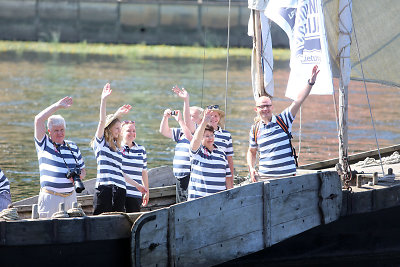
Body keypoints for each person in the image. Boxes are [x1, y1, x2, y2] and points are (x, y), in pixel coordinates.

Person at [247, 65, 320, 181]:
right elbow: (251, 151)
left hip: (287, 178)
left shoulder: (284, 119)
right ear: (256, 109)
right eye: (262, 106)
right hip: (265, 179)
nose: (265, 109)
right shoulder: (255, 129)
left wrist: (311, 82)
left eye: (268, 106)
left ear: (272, 107)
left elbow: (298, 100)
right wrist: (251, 168)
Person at [91, 83, 147, 215]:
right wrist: (103, 100)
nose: (119, 131)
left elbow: (120, 173)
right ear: (109, 129)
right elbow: (102, 122)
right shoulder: (101, 144)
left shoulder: (118, 148)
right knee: (100, 222)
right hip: (105, 188)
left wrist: (138, 185)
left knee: (117, 223)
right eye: (117, 129)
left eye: (120, 129)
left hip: (120, 190)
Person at [34, 97, 86, 218]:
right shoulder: (44, 143)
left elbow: (83, 170)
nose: (60, 133)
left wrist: (78, 176)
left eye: (62, 130)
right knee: (47, 232)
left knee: (71, 232)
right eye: (56, 130)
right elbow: (38, 120)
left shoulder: (72, 146)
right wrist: (57, 106)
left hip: (70, 197)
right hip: (50, 197)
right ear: (49, 131)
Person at [188, 109, 233, 200]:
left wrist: (229, 195)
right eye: (206, 136)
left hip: (218, 202)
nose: (210, 138)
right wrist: (204, 122)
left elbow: (228, 177)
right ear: (201, 138)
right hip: (197, 201)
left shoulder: (221, 153)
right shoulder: (197, 151)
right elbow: (195, 140)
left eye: (212, 135)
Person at [160, 109, 193, 202]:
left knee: (187, 201)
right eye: (188, 116)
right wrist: (165, 117)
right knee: (180, 201)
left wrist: (180, 121)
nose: (189, 119)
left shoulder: (198, 133)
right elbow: (164, 131)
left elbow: (191, 138)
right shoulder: (181, 133)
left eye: (192, 117)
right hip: (179, 175)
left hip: (189, 175)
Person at [120, 120, 149, 212]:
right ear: (121, 132)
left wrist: (146, 192)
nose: (132, 133)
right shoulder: (116, 148)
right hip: (120, 193)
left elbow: (144, 172)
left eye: (134, 131)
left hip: (135, 194)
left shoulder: (141, 149)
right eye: (128, 131)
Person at [205, 105, 234, 189]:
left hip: (220, 176)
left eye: (216, 116)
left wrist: (230, 183)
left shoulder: (227, 135)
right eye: (210, 115)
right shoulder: (200, 133)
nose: (213, 118)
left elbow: (229, 160)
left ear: (219, 118)